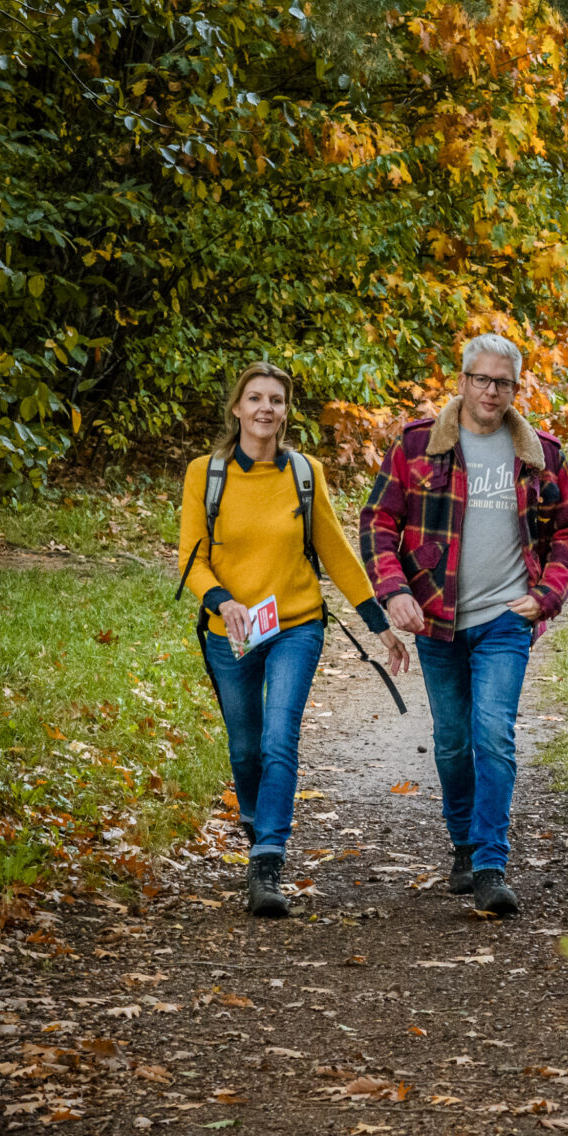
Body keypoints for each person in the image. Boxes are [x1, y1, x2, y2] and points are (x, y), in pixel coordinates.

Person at [360, 334, 568, 916]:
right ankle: (462, 843)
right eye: (482, 379)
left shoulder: (541, 454)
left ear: (516, 388)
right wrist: (394, 592)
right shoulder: (417, 446)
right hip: (436, 622)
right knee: (454, 741)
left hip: (506, 619)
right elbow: (379, 521)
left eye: (504, 382)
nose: (492, 391)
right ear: (461, 381)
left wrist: (548, 595)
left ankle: (490, 863)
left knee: (493, 734)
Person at [177, 363, 410, 918]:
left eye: (276, 400)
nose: (265, 409)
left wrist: (381, 625)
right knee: (246, 746)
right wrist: (222, 601)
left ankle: (267, 859)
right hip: (227, 630)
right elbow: (193, 559)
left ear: (285, 411)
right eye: (254, 398)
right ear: (237, 408)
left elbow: (335, 552)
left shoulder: (305, 473)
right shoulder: (203, 474)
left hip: (296, 625)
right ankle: (258, 821)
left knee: (280, 735)